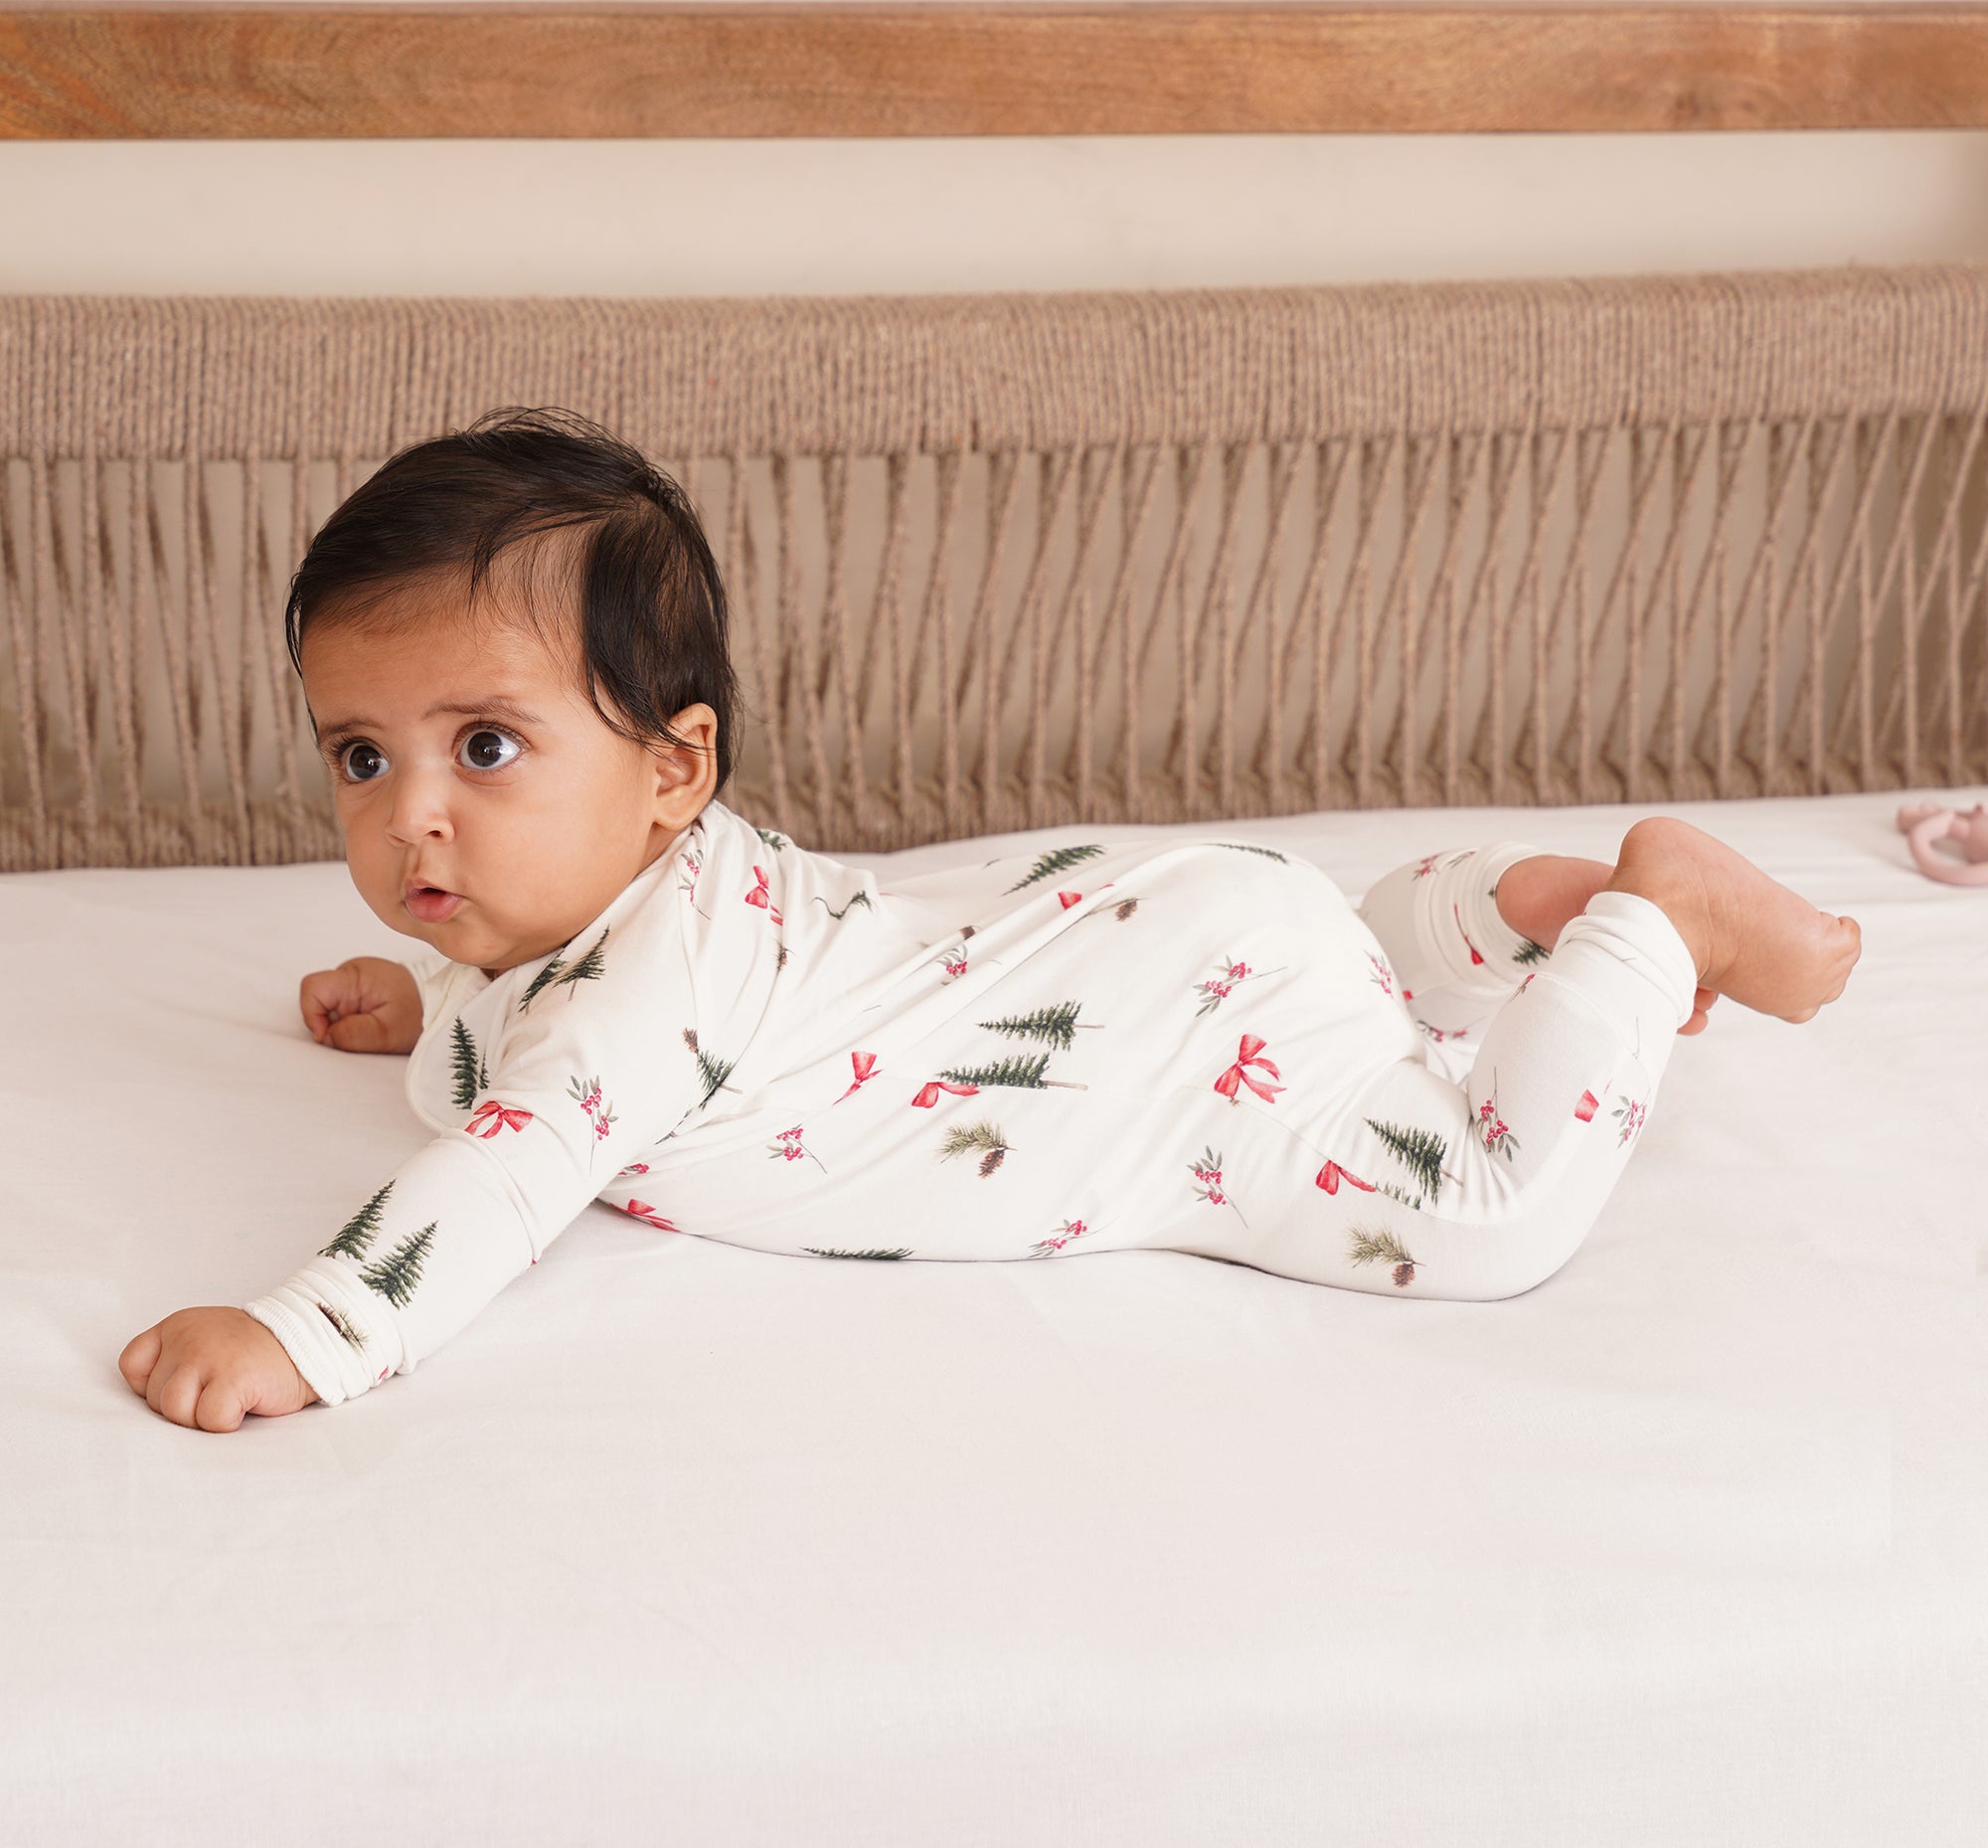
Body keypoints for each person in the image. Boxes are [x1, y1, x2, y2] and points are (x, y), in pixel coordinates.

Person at [116, 410, 1863, 1431]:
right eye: (361, 753)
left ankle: (1646, 923)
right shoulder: (587, 915)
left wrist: (308, 1331)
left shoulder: (642, 1001)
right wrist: (428, 1004)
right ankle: (1462, 926)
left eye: (483, 745)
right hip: (1176, 921)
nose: (409, 811)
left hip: (1174, 1070)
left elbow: (498, 1178)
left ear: (674, 767)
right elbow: (513, 1026)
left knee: (1481, 1218)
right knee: (1312, 962)